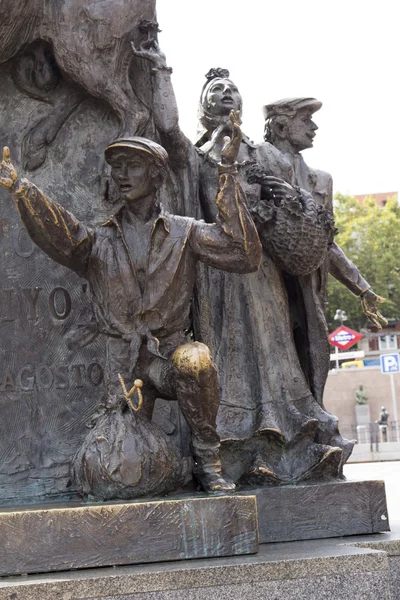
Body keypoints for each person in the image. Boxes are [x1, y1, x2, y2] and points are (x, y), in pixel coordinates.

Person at [131, 39, 356, 484]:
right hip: (216, 275)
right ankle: (230, 447)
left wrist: (286, 200)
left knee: (275, 354)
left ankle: (291, 440)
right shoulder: (196, 156)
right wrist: (161, 73)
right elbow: (169, 130)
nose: (225, 94)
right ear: (204, 107)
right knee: (227, 359)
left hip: (262, 272)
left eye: (232, 89)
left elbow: (300, 211)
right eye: (216, 91)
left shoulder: (267, 154)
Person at [0, 113, 262, 494]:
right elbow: (60, 232)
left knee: (196, 360)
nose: (122, 175)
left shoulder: (185, 232)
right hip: (123, 366)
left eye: (133, 166)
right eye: (117, 167)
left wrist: (226, 170)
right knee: (124, 472)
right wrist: (23, 191)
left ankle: (209, 461)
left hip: (169, 355)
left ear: (156, 176)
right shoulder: (99, 242)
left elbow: (243, 253)